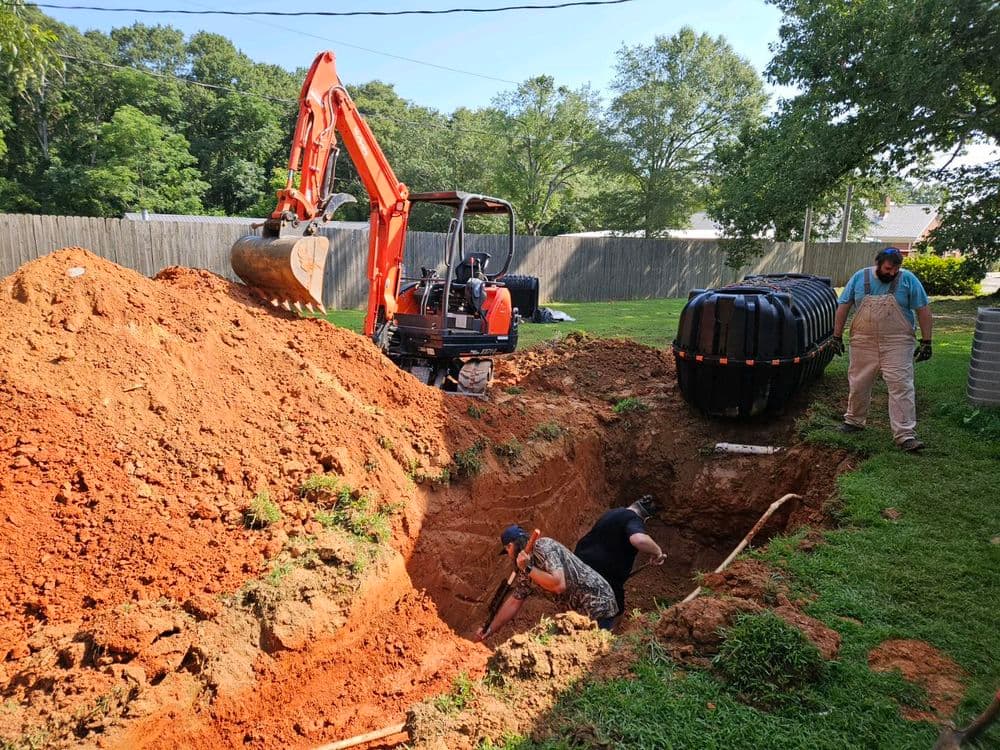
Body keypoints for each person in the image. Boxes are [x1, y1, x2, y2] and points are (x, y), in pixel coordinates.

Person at [831, 247, 933, 452]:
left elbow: (923, 310)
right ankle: (854, 421)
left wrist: (927, 341)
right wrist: (836, 336)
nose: (892, 273)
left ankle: (905, 435)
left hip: (898, 342)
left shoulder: (908, 280)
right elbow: (843, 305)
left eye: (896, 269)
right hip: (863, 340)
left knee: (901, 384)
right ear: (878, 263)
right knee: (859, 381)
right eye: (888, 268)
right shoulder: (860, 277)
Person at [476, 524, 618, 640]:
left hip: (597, 602)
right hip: (578, 614)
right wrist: (490, 629)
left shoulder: (544, 547)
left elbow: (559, 585)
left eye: (507, 549)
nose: (508, 555)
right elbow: (514, 602)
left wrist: (528, 568)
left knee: (596, 656)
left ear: (511, 545)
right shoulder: (525, 568)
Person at [574, 494, 666, 625]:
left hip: (579, 564)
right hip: (602, 576)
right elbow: (639, 539)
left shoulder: (612, 513)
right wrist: (657, 551)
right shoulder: (633, 519)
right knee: (615, 610)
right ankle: (608, 638)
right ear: (646, 518)